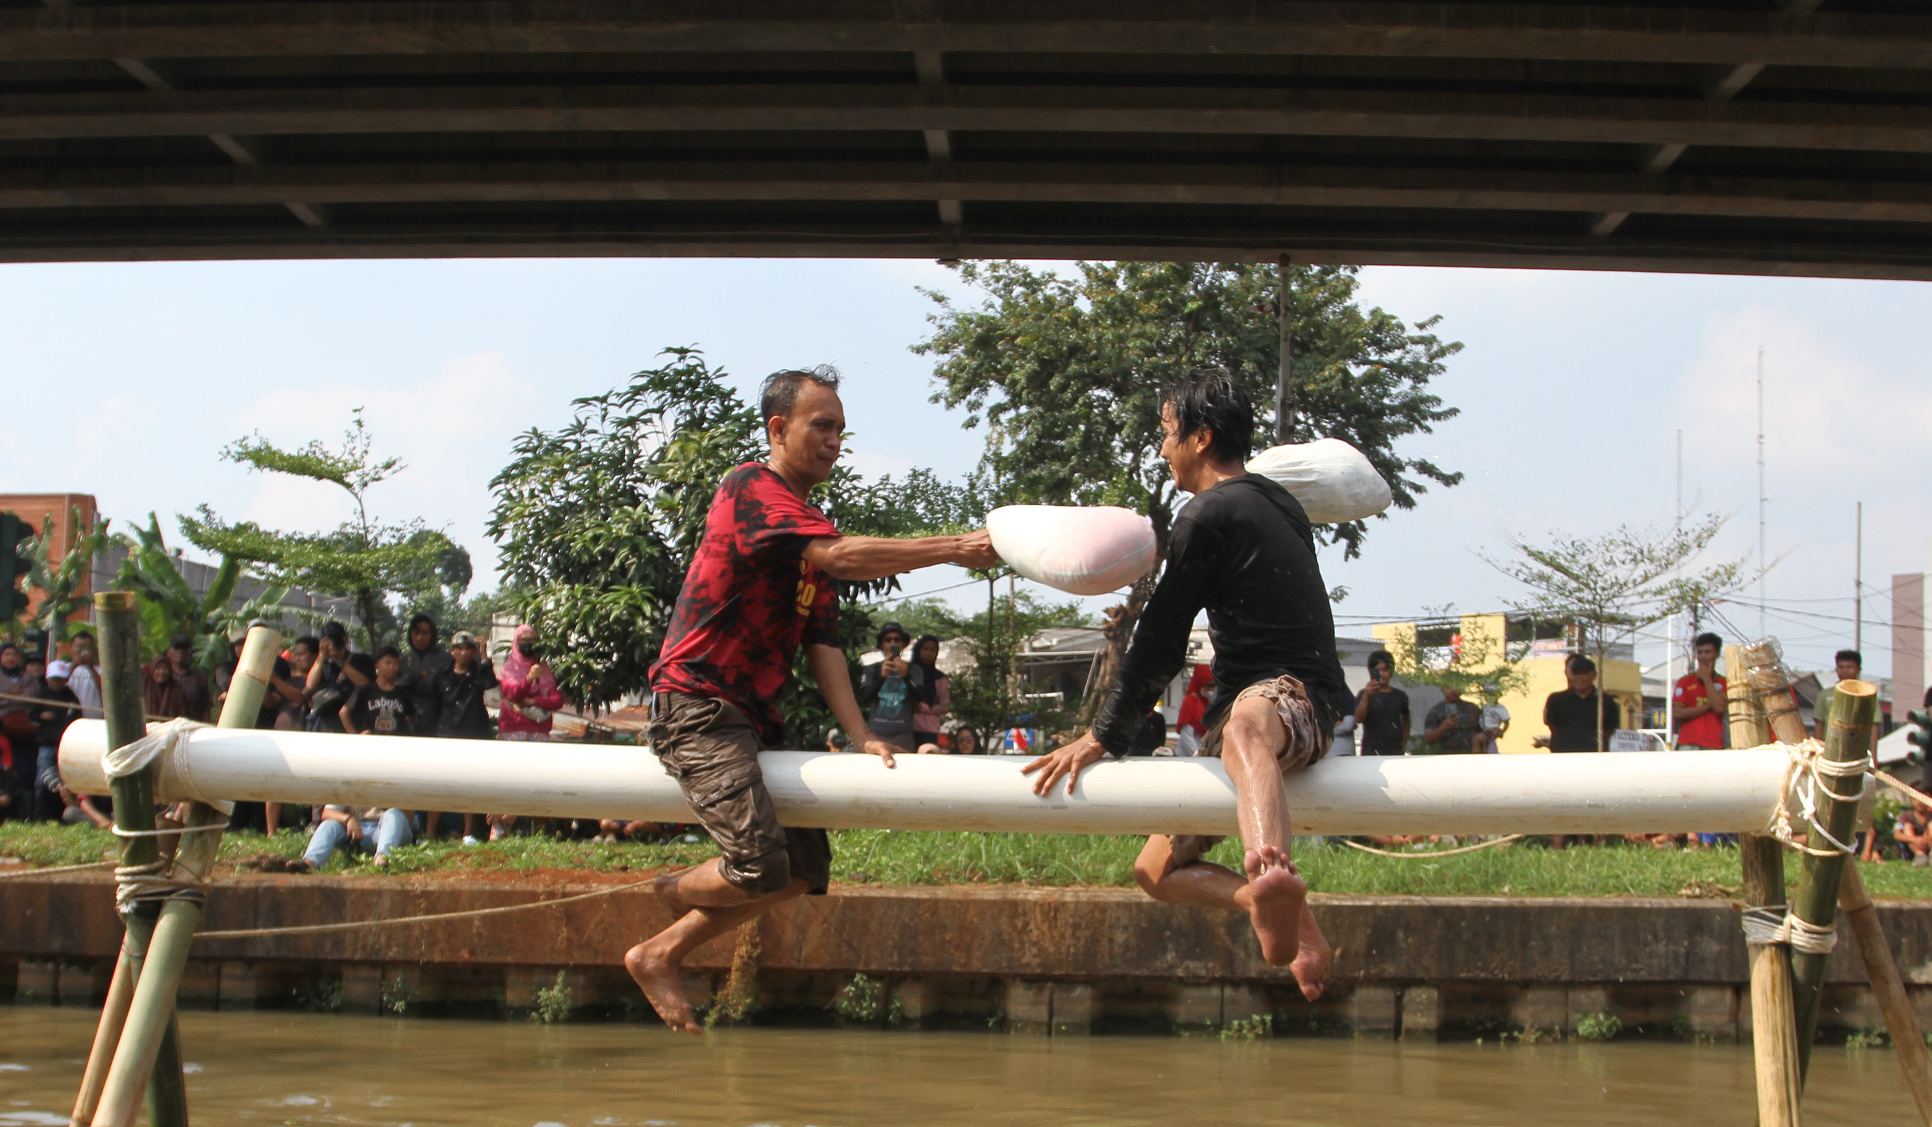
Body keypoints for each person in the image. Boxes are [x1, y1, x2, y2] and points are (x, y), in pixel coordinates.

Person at [627, 364, 998, 1035]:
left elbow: (822, 642)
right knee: (759, 864)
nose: (833, 441)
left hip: (756, 716)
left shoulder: (812, 526)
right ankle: (670, 894)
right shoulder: (751, 488)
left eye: (839, 430)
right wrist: (954, 547)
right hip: (699, 701)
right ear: (779, 428)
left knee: (803, 870)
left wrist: (862, 736)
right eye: (821, 425)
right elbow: (844, 558)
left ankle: (660, 951)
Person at [1021, 369, 1348, 1003]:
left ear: (1200, 439)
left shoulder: (1205, 514)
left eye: (1167, 434)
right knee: (1156, 871)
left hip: (1291, 697)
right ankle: (1285, 915)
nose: (1163, 449)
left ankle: (1271, 867)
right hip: (1250, 705)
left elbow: (1161, 639)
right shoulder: (1280, 502)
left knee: (1249, 725)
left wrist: (1102, 736)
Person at [427, 631, 496, 841]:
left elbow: (489, 684)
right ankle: (431, 832)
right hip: (446, 734)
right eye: (459, 648)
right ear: (452, 651)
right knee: (439, 784)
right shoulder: (441, 674)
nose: (463, 652)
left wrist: (485, 656)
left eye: (468, 648)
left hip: (473, 734)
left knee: (470, 783)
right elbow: (434, 705)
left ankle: (468, 831)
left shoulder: (478, 672)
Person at [287, 805, 414, 871]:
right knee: (329, 824)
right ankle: (309, 863)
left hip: (384, 829)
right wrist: (348, 819)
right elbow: (326, 813)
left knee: (393, 814)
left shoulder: (394, 778)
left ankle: (382, 859)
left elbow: (408, 817)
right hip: (354, 830)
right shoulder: (350, 776)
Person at [859, 622, 923, 754]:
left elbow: (920, 696)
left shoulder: (914, 669)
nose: (892, 643)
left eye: (897, 639)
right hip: (876, 732)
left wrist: (905, 676)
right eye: (888, 640)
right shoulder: (872, 668)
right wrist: (882, 677)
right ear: (882, 644)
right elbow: (865, 697)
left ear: (903, 644)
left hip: (903, 734)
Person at [1538, 655, 1620, 752]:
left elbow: (1610, 728)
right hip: (1562, 755)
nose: (1579, 677)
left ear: (1593, 675)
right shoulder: (1556, 699)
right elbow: (1551, 724)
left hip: (1594, 756)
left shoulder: (1605, 701)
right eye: (1575, 673)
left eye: (1583, 673)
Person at [32, 661, 80, 821]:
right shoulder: (41, 694)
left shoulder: (71, 696)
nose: (57, 682)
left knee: (67, 780)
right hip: (46, 745)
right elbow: (31, 716)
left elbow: (78, 718)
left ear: (66, 679)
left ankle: (66, 812)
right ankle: (40, 813)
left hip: (66, 746)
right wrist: (40, 717)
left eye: (60, 679)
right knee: (41, 781)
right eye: (54, 679)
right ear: (48, 679)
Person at [399, 614, 453, 735]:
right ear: (410, 634)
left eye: (425, 633)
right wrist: (417, 676)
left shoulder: (445, 659)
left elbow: (441, 687)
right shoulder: (403, 661)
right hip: (408, 722)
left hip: (436, 721)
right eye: (416, 633)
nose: (419, 637)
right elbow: (396, 687)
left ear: (432, 635)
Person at [1673, 632, 1728, 750]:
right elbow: (1678, 713)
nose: (1703, 656)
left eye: (1708, 652)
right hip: (1687, 743)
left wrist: (1707, 679)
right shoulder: (1684, 682)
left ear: (1717, 654)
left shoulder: (1724, 682)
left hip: (1714, 744)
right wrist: (1708, 706)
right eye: (1700, 652)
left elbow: (1719, 708)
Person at [341, 647, 415, 735]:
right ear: (377, 665)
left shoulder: (403, 693)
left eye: (395, 663)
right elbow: (344, 713)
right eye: (388, 663)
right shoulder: (365, 690)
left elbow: (411, 716)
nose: (392, 667)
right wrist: (356, 736)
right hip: (371, 742)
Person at [1353, 650, 1411, 756]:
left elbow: (1407, 720)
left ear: (1391, 672)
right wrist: (1367, 695)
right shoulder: (1364, 694)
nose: (1381, 674)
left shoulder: (1400, 696)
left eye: (1384, 670)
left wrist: (1403, 744)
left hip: (1395, 752)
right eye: (1377, 670)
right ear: (1371, 671)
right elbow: (1358, 719)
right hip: (1371, 751)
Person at [909, 634, 951, 751]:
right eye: (925, 649)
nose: (928, 653)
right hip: (908, 727)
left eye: (932, 650)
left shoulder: (940, 678)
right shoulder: (908, 672)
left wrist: (927, 709)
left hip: (929, 730)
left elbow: (945, 706)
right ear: (918, 649)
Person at [1422, 686, 1485, 753]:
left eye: (1456, 686)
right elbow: (1429, 739)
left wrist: (1478, 741)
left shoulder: (1473, 709)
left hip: (1474, 755)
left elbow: (1487, 731)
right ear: (1442, 690)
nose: (1453, 690)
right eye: (1449, 687)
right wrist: (1443, 727)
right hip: (1448, 756)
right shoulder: (1436, 711)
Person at [165, 635, 212, 722]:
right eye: (176, 648)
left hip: (193, 728)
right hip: (165, 728)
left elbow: (206, 708)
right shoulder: (164, 676)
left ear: (189, 654)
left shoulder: (199, 678)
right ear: (169, 652)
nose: (180, 652)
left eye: (184, 649)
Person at [1174, 664, 1214, 756]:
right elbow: (1186, 736)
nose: (1213, 689)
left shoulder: (1204, 703)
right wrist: (1199, 756)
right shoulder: (1190, 701)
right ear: (1200, 684)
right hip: (1190, 757)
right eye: (1209, 685)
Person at [67, 631, 103, 720]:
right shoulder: (64, 669)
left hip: (94, 720)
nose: (81, 651)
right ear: (71, 648)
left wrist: (90, 666)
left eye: (86, 647)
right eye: (78, 647)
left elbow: (105, 689)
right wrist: (75, 664)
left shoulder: (99, 671)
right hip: (70, 720)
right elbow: (58, 684)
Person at [1894, 799, 1932, 866]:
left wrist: (1927, 839)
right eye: (1915, 799)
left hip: (1929, 844)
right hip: (1912, 848)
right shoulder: (1906, 815)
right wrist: (1915, 840)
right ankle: (1920, 855)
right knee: (1908, 826)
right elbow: (1897, 834)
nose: (1919, 802)